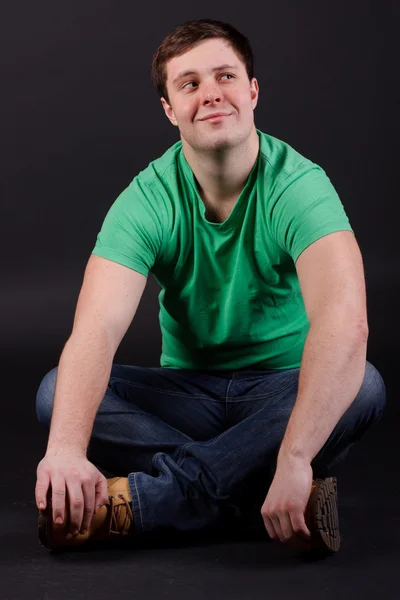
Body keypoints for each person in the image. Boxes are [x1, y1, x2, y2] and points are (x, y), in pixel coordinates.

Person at [35, 18, 386, 554]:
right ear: (170, 109)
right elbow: (96, 331)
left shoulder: (299, 185)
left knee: (361, 383)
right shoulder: (147, 199)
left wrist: (293, 455)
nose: (212, 94)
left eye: (225, 76)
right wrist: (62, 449)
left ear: (252, 90)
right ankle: (251, 494)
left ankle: (154, 503)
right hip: (188, 394)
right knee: (58, 392)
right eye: (190, 83)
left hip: (284, 392)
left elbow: (345, 323)